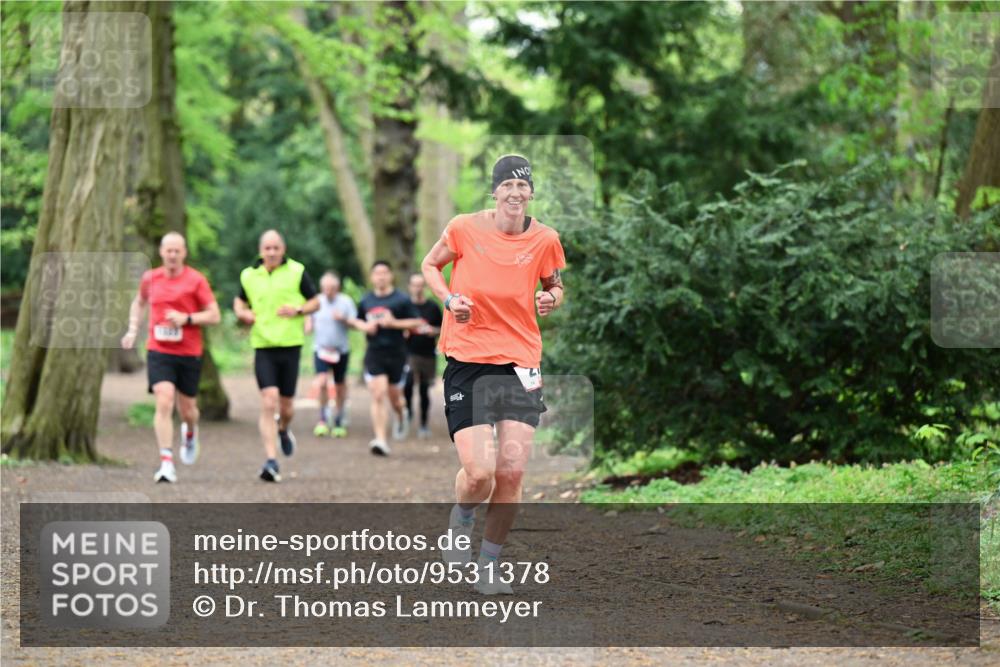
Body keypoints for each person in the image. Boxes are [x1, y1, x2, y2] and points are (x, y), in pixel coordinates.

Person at [421, 154, 566, 595]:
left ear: (531, 193)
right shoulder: (464, 228)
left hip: (520, 362)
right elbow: (430, 266)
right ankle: (461, 518)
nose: (516, 194)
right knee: (480, 473)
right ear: (495, 191)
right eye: (508, 186)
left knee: (512, 472)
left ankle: (488, 563)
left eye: (523, 187)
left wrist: (552, 298)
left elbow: (554, 283)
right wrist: (448, 300)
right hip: (468, 359)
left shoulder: (545, 239)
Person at [121, 232, 221, 483]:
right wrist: (133, 328)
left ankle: (190, 432)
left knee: (187, 409)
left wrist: (187, 319)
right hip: (159, 350)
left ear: (184, 253)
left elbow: (214, 315)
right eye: (169, 250)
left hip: (188, 352)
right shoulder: (150, 278)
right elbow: (139, 302)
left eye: (177, 251)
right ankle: (166, 462)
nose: (173, 255)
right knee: (164, 400)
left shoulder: (196, 280)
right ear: (162, 252)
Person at [234, 230, 320, 482]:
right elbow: (238, 302)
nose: (271, 252)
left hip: (290, 345)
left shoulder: (297, 271)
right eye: (267, 248)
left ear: (283, 249)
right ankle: (271, 460)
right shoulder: (248, 275)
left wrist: (298, 309)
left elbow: (316, 301)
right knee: (268, 400)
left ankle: (283, 428)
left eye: (276, 248)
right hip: (263, 346)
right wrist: (243, 314)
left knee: (286, 407)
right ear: (261, 251)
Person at [349, 260, 422, 456]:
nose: (380, 276)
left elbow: (416, 321)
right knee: (378, 394)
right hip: (375, 353)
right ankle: (380, 439)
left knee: (395, 398)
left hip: (397, 353)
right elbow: (357, 320)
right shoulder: (366, 300)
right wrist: (365, 327)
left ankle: (400, 414)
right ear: (372, 277)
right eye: (377, 273)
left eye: (384, 273)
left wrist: (394, 323)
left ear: (390, 276)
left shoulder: (401, 299)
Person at [305, 271, 356, 438]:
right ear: (321, 288)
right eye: (326, 288)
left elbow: (355, 324)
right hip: (321, 349)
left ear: (338, 287)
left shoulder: (346, 302)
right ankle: (322, 418)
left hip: (340, 350)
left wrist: (343, 319)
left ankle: (339, 418)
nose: (329, 291)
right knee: (321, 382)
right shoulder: (316, 301)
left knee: (340, 385)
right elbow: (308, 320)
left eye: (332, 288)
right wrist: (307, 325)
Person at [403, 273, 443, 439]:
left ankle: (424, 424)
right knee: (408, 383)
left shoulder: (433, 307)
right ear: (410, 287)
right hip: (408, 352)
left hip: (427, 354)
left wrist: (432, 331)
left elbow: (443, 328)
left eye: (421, 285)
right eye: (415, 284)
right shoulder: (405, 307)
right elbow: (396, 325)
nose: (418, 288)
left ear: (425, 287)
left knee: (424, 389)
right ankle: (408, 412)